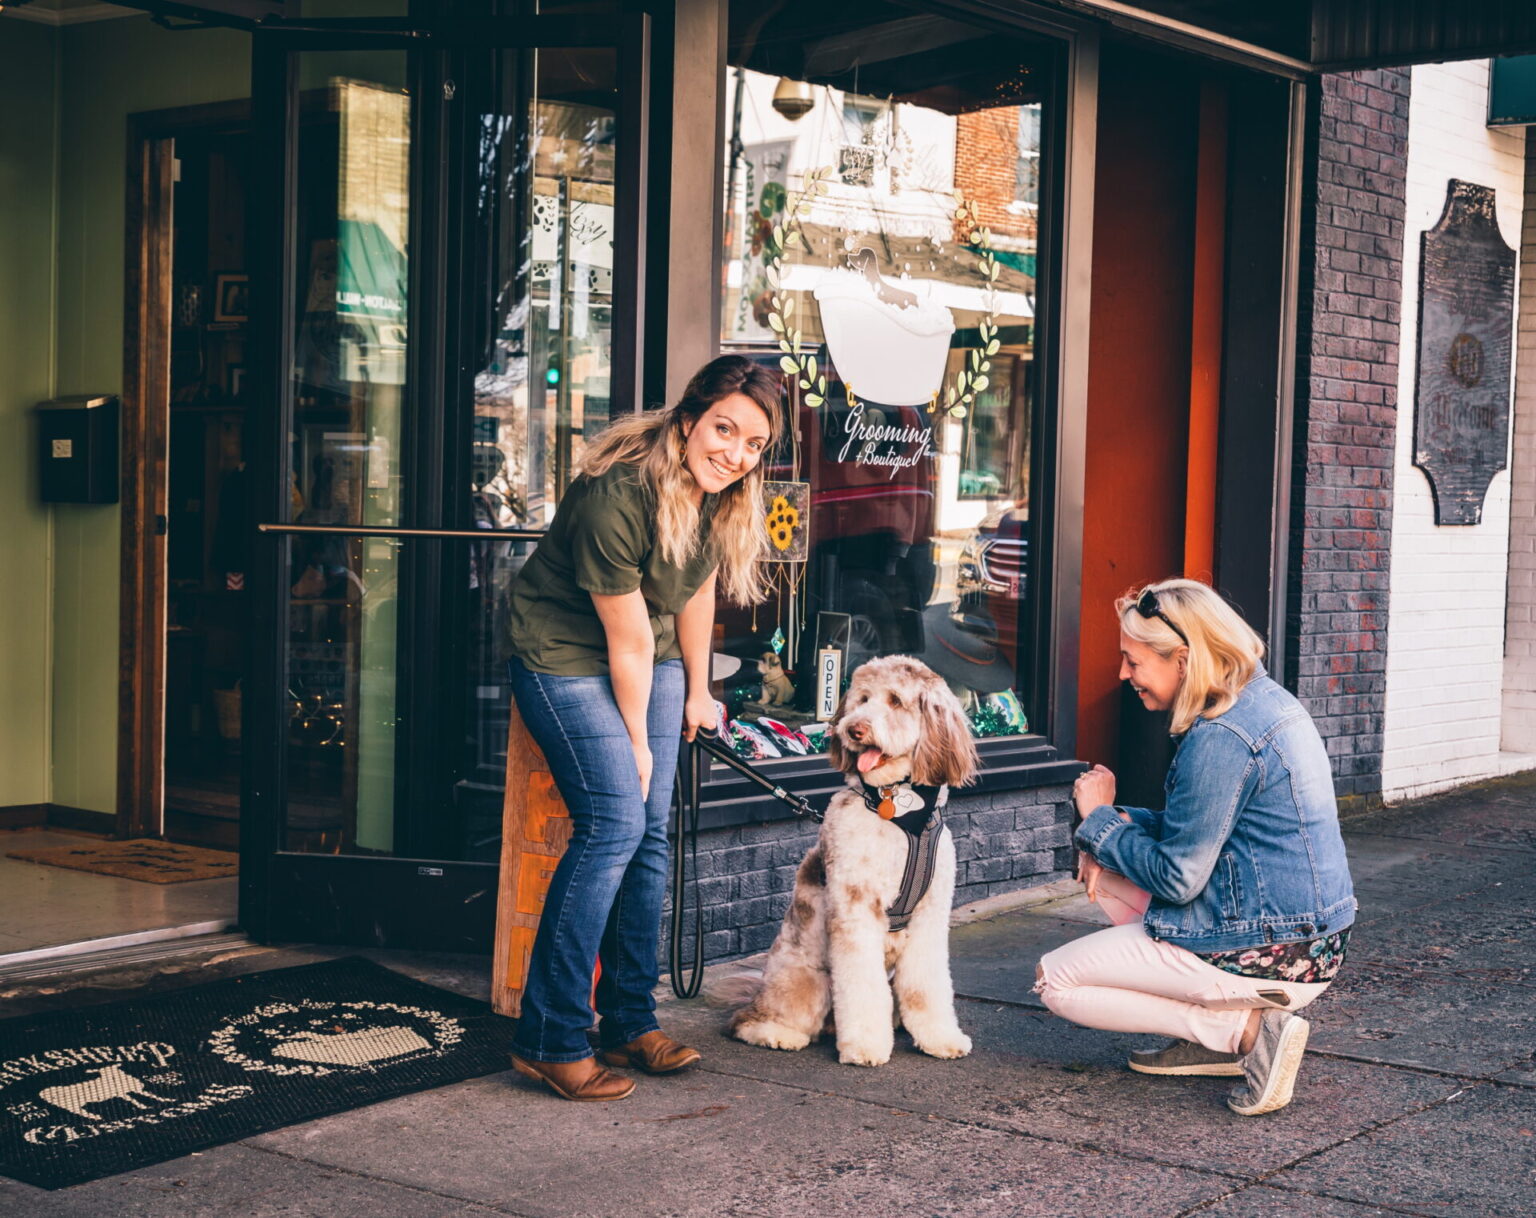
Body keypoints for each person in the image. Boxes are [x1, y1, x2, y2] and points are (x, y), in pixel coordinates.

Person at [503, 355, 781, 1102]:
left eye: (754, 443)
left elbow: (693, 592)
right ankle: (549, 1037)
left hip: (646, 651)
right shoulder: (616, 495)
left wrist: (699, 689)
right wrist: (633, 746)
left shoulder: (720, 491)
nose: (736, 452)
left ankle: (629, 1021)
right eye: (725, 429)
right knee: (615, 824)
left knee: (650, 834)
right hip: (562, 652)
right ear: (690, 419)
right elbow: (621, 644)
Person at [1035, 578, 1355, 1116]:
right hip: (1309, 938)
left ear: (1182, 659)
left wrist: (1099, 822)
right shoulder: (1260, 702)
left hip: (1275, 953)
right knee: (1108, 872)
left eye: (1132, 662)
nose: (1121, 674)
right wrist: (1106, 825)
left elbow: (1178, 877)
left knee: (1055, 979)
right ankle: (1214, 1034)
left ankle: (1241, 1030)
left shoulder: (1222, 737)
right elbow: (1202, 829)